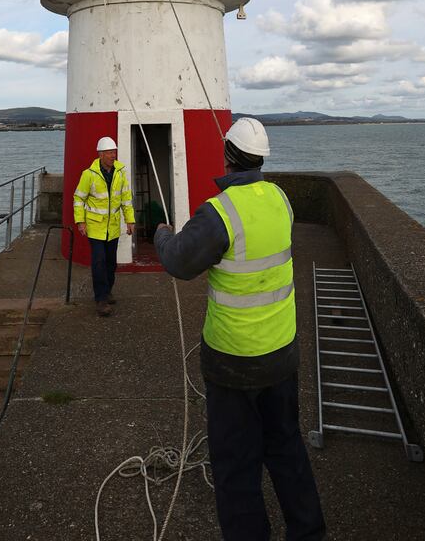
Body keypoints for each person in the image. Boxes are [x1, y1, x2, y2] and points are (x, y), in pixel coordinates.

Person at [154, 117, 327, 541]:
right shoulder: (281, 199)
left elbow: (178, 261)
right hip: (281, 353)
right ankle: (308, 532)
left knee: (235, 465)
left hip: (233, 361)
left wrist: (161, 234)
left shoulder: (220, 213)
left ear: (227, 155)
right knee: (286, 447)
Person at [73, 136, 135, 317]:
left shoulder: (120, 173)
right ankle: (101, 299)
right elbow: (79, 198)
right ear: (100, 155)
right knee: (99, 262)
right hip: (95, 227)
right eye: (109, 153)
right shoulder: (89, 174)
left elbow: (126, 199)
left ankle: (107, 291)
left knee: (110, 263)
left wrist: (130, 221)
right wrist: (80, 221)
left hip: (113, 227)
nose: (113, 155)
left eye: (114, 152)